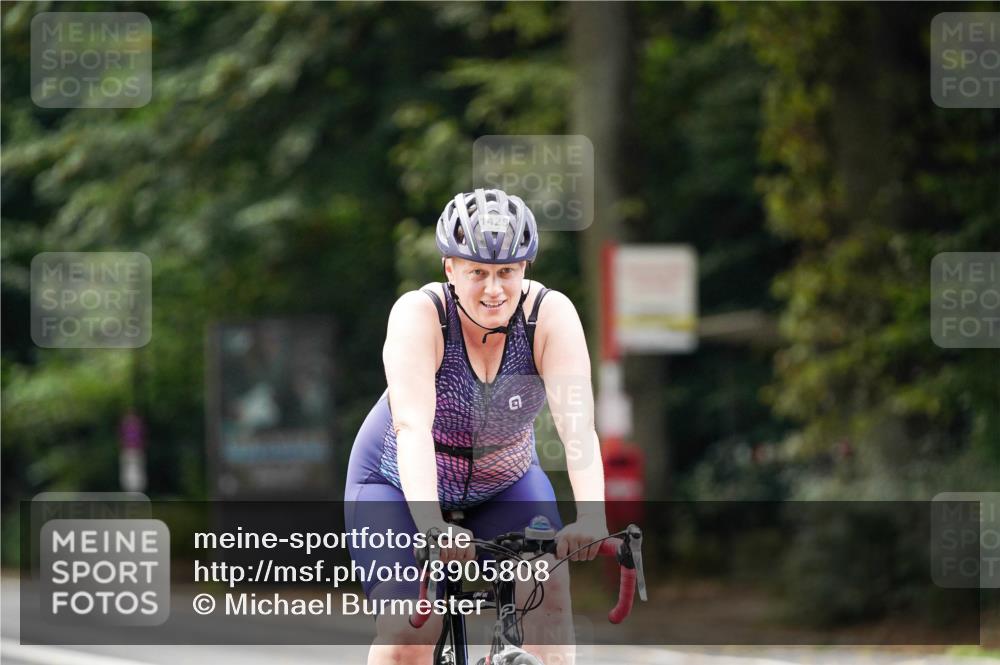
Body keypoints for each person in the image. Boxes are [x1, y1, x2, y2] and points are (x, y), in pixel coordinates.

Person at [345, 188, 608, 665]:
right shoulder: (421, 316)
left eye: (507, 272)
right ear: (450, 268)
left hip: (505, 481)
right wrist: (430, 525)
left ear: (525, 269)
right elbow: (412, 427)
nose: (494, 289)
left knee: (548, 598)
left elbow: (578, 430)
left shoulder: (549, 317)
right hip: (395, 484)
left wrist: (592, 516)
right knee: (408, 630)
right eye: (478, 273)